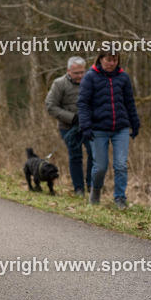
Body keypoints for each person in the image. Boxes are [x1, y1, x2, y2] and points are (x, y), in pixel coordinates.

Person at [76, 50, 140, 209]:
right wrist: (85, 126)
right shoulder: (90, 77)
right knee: (100, 166)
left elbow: (129, 102)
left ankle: (120, 199)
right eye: (109, 60)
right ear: (101, 59)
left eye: (115, 60)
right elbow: (83, 104)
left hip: (121, 127)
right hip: (98, 129)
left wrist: (135, 123)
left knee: (121, 165)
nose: (112, 63)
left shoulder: (123, 77)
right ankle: (96, 191)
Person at [45, 56, 93, 197]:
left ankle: (92, 185)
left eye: (82, 72)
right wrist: (72, 118)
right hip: (68, 128)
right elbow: (50, 106)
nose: (80, 76)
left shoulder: (91, 81)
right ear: (68, 71)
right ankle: (79, 189)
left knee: (94, 153)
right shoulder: (59, 84)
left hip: (89, 126)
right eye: (76, 73)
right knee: (75, 156)